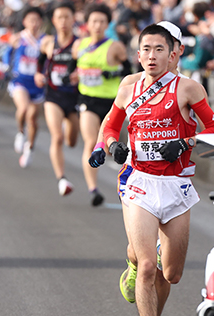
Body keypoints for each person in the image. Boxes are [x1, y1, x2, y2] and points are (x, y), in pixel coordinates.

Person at [101, 24, 214, 316]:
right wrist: (113, 145)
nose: (151, 56)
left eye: (158, 49)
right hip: (139, 182)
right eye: (145, 50)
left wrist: (185, 143)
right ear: (137, 54)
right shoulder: (128, 86)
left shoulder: (188, 89)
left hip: (177, 186)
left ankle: (138, 267)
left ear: (172, 53)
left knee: (171, 273)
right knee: (149, 267)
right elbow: (110, 126)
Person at [72, 2, 130, 206]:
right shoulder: (79, 45)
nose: (97, 25)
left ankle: (124, 185)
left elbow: (129, 73)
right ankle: (93, 189)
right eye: (94, 21)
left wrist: (111, 73)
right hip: (87, 99)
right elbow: (73, 67)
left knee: (106, 144)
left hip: (111, 102)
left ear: (108, 24)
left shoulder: (115, 46)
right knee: (90, 141)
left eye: (102, 21)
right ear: (87, 23)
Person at [34, 2, 80, 196]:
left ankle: (68, 128)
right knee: (57, 137)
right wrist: (38, 74)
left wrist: (80, 72)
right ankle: (62, 179)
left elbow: (85, 63)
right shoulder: (48, 43)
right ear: (53, 20)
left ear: (73, 19)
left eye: (67, 17)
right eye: (59, 17)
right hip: (53, 95)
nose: (63, 21)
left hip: (74, 97)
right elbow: (40, 61)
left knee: (71, 141)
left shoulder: (79, 44)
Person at [3, 6, 45, 168]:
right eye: (30, 20)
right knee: (24, 109)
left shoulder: (45, 40)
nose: (34, 24)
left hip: (37, 84)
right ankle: (20, 132)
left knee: (33, 119)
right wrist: (7, 67)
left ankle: (30, 147)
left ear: (41, 22)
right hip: (20, 80)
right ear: (24, 22)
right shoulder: (18, 38)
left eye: (36, 20)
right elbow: (7, 54)